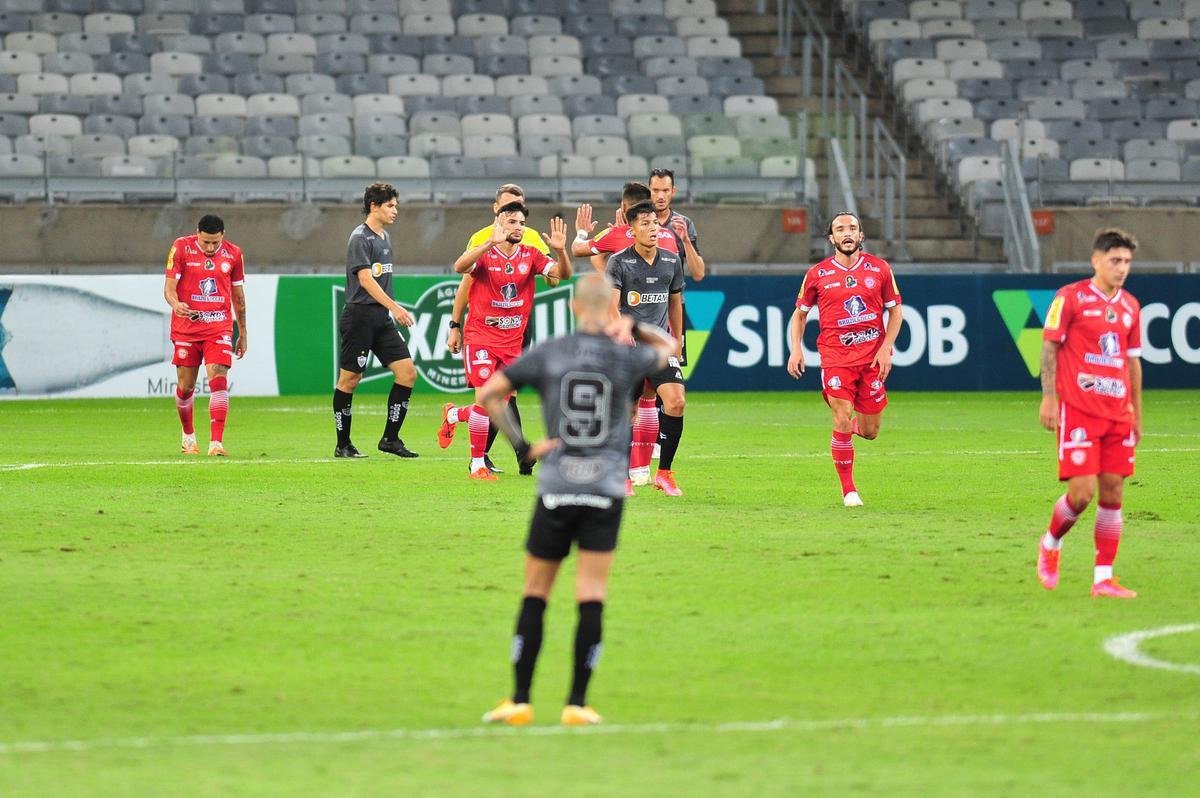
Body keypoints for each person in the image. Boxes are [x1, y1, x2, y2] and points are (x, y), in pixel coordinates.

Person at [477, 273, 676, 726]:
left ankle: (521, 699)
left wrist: (524, 446)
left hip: (557, 487)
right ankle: (578, 704)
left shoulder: (552, 351)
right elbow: (670, 348)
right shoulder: (625, 356)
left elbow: (488, 394)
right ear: (611, 309)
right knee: (591, 593)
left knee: (536, 592)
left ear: (573, 307)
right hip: (605, 488)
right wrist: (635, 325)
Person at [1036, 228, 1144, 599]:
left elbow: (1133, 363)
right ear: (1096, 260)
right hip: (1079, 409)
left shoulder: (1131, 306)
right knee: (1082, 494)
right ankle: (1051, 543)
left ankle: (1103, 578)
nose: (1122, 268)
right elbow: (1049, 348)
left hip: (1118, 413)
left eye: (1127, 261)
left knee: (1113, 491)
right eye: (1115, 260)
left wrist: (1137, 414)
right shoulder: (1070, 297)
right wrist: (1049, 398)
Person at [438, 202, 572, 480]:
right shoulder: (485, 252)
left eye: (521, 223)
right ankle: (477, 465)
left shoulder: (531, 255)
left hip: (512, 343)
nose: (518, 227)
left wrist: (560, 251)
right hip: (481, 337)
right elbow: (459, 267)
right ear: (498, 222)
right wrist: (490, 242)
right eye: (512, 221)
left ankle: (454, 416)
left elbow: (563, 275)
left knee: (495, 405)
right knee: (485, 400)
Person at [786, 211, 903, 507]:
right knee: (841, 417)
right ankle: (849, 490)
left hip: (871, 360)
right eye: (840, 229)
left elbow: (896, 312)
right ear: (831, 238)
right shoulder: (818, 274)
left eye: (852, 228)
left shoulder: (880, 269)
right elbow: (800, 315)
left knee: (870, 431)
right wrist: (796, 348)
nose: (847, 233)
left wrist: (886, 348)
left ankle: (850, 428)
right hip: (835, 358)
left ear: (861, 235)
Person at [331, 182, 419, 459]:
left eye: (396, 206)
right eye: (390, 205)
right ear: (374, 206)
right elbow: (366, 280)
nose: (395, 211)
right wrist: (396, 307)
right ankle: (343, 444)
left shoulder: (384, 237)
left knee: (407, 373)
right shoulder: (360, 238)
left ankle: (390, 439)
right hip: (360, 316)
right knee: (350, 379)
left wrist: (389, 310)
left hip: (380, 318)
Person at [605, 201, 687, 497]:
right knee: (627, 411)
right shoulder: (618, 262)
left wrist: (677, 339)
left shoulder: (671, 261)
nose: (653, 228)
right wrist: (621, 329)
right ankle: (622, 477)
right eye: (645, 223)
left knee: (676, 402)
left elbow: (675, 302)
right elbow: (611, 304)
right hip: (628, 349)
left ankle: (664, 474)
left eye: (655, 223)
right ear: (632, 230)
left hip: (659, 348)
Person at [163, 214, 246, 457]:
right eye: (206, 242)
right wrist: (176, 304)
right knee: (186, 386)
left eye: (215, 243)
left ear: (223, 236)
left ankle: (216, 443)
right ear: (197, 233)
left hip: (218, 327)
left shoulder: (234, 254)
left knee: (218, 377)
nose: (210, 248)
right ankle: (188, 437)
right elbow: (169, 289)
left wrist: (242, 332)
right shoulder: (181, 247)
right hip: (187, 327)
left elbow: (238, 297)